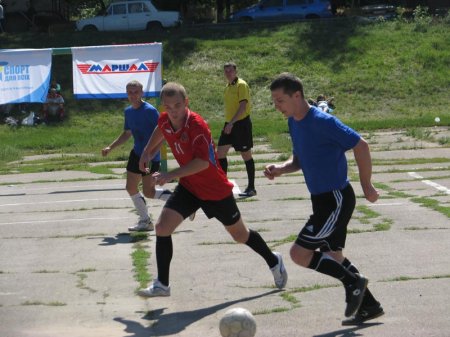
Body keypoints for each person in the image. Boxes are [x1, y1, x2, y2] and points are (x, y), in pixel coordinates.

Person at [137, 82, 287, 297]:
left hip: (214, 190)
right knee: (162, 228)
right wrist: (147, 151)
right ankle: (162, 284)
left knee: (240, 235)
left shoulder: (197, 126)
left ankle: (274, 261)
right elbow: (161, 129)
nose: (173, 111)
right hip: (189, 187)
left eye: (177, 105)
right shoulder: (165, 120)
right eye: (168, 107)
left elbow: (203, 163)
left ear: (186, 103)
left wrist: (170, 175)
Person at [264, 73, 383, 325]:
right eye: (274, 101)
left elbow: (360, 145)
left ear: (297, 95)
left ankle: (353, 283)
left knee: (299, 254)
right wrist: (280, 168)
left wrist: (367, 186)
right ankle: (370, 306)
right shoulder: (294, 122)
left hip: (335, 199)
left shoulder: (322, 121)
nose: (277, 106)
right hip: (321, 200)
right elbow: (298, 160)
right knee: (334, 256)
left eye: (280, 100)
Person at [101, 80, 171, 232]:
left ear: (142, 93)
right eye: (130, 92)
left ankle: (177, 200)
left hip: (150, 157)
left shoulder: (150, 111)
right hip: (136, 154)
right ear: (127, 94)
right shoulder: (128, 111)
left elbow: (163, 133)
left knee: (149, 192)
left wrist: (152, 153)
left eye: (136, 92)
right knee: (130, 187)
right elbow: (127, 133)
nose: (133, 95)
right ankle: (145, 221)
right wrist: (110, 147)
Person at [217, 62, 256, 197]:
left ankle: (251, 188)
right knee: (220, 153)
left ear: (235, 71)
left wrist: (232, 123)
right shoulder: (227, 87)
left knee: (246, 155)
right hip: (229, 124)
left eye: (230, 71)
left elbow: (243, 106)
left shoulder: (241, 85)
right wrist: (229, 123)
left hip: (240, 124)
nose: (228, 73)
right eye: (226, 71)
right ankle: (223, 186)